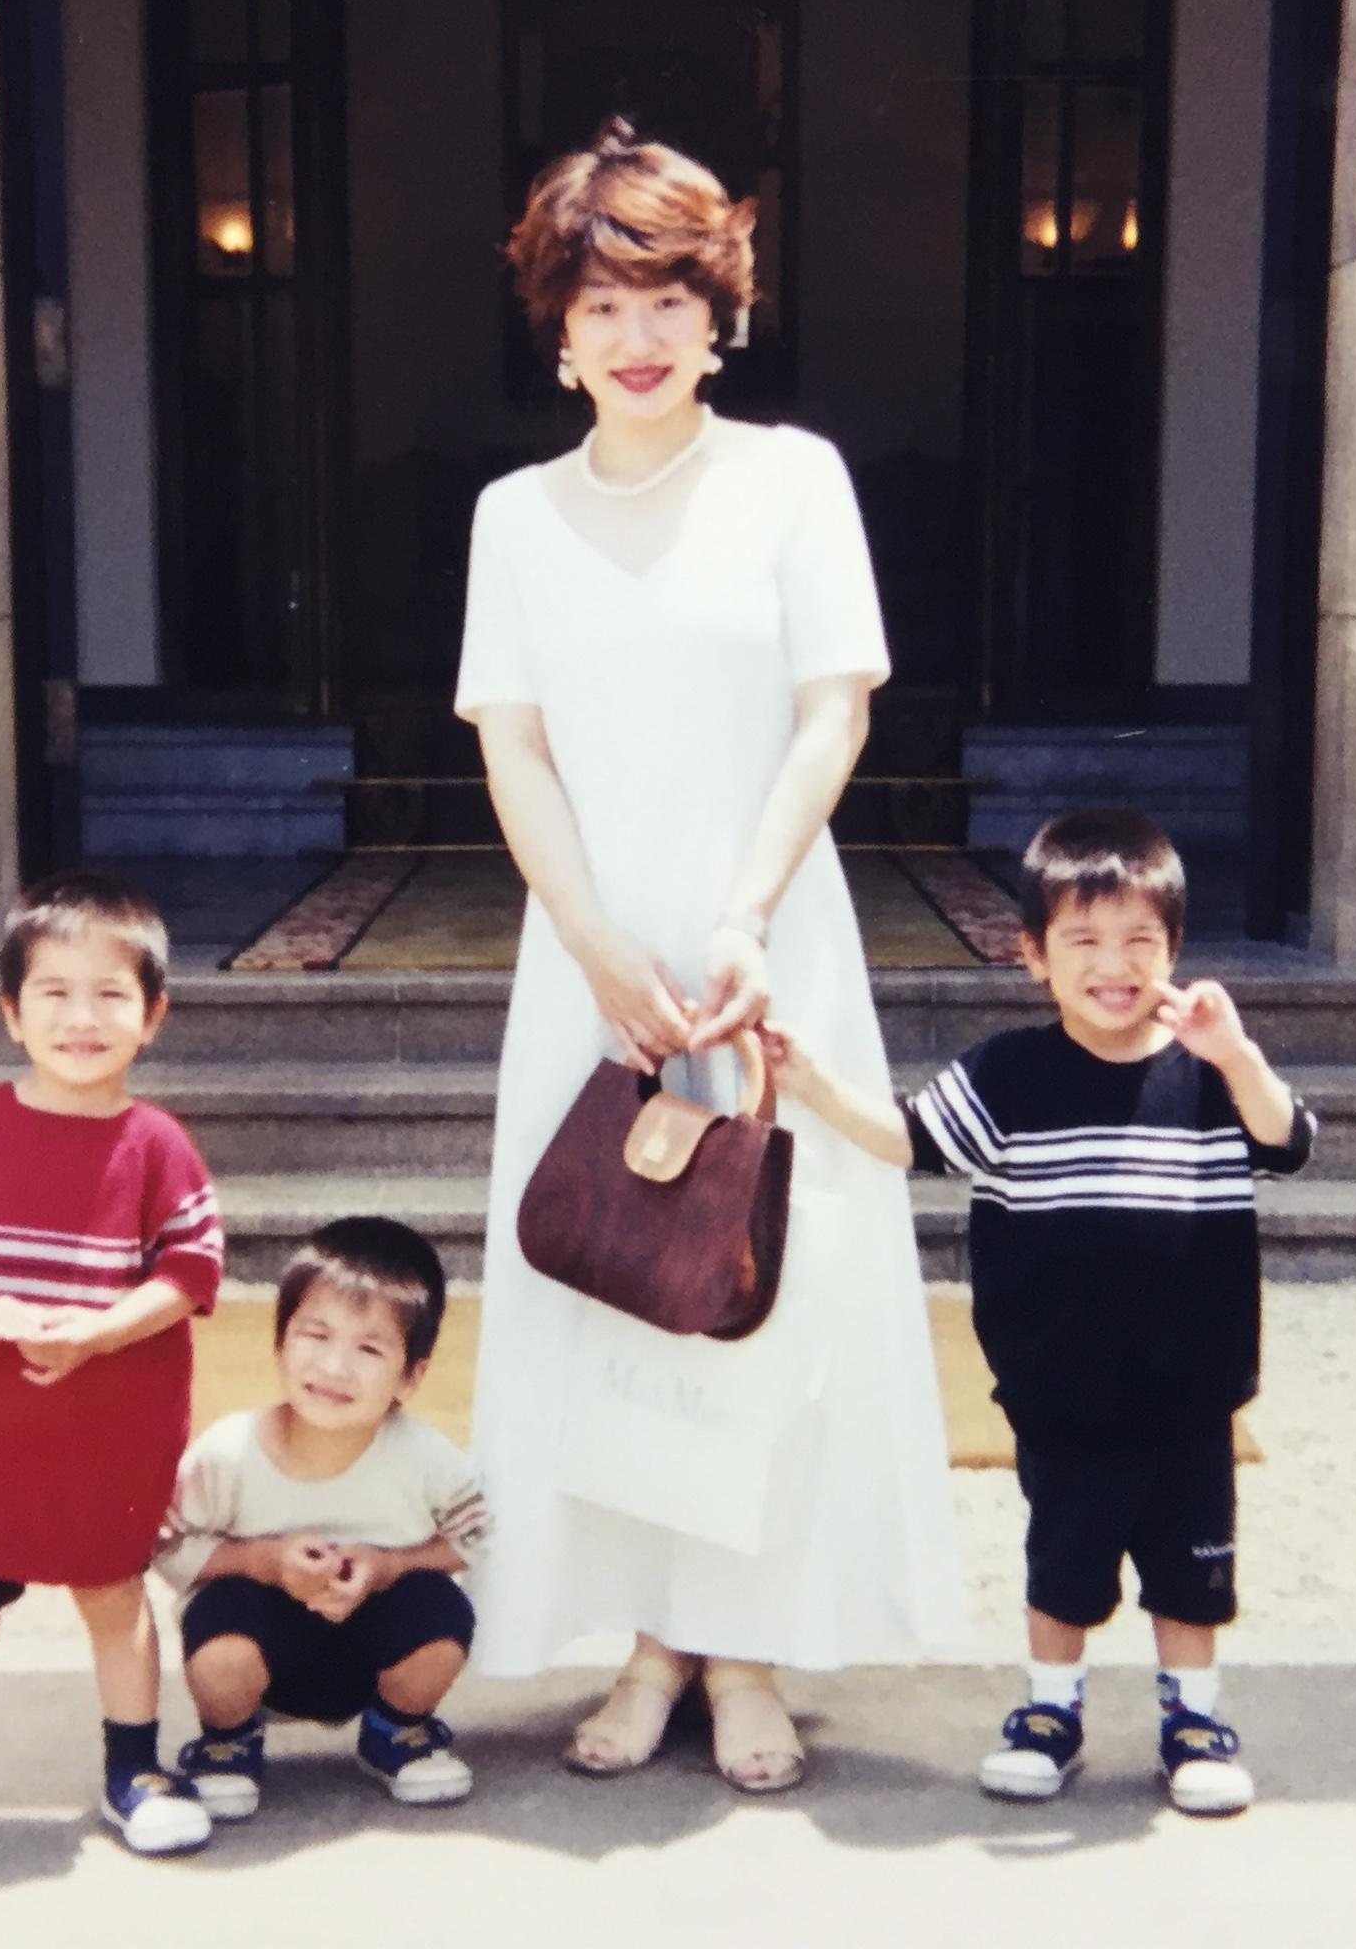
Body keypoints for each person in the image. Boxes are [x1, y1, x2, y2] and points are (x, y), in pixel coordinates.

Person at [455, 117, 963, 1793]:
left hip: (764, 939)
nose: (638, 333)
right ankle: (647, 1642)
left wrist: (741, 916)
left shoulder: (790, 479)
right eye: (601, 302)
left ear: (720, 312)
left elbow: (833, 711)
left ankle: (745, 1646)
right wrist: (597, 947)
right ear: (557, 327)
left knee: (764, 1290)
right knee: (610, 1281)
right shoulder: (515, 517)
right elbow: (515, 745)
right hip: (591, 957)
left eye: (668, 296)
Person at [759, 809, 1317, 1816]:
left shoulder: (1209, 1073)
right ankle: (1050, 1710)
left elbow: (1288, 1142)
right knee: (1063, 1561)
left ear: (1174, 949)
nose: (1114, 965)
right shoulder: (1009, 1073)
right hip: (1061, 1386)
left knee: (1192, 1568)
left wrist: (1236, 1055)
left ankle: (1195, 1719)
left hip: (1190, 1392)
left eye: (1140, 940)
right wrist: (810, 1082)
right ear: (1031, 954)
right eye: (1083, 940)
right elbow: (910, 1140)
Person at [0, 870, 223, 1857]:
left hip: (112, 1420)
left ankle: (134, 1763)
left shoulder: (158, 1147)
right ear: (10, 1011)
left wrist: (99, 1334)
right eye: (54, 992)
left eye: (110, 994)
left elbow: (191, 1273)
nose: (81, 1017)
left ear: (152, 1015)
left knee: (113, 1593)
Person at [156, 1217, 490, 1817]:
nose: (335, 1367)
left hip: (374, 1640)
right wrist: (263, 1561)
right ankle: (228, 1740)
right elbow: (163, 1543)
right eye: (316, 1335)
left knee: (443, 1613)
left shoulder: (425, 1458)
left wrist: (389, 1566)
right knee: (219, 1623)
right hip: (260, 1640)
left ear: (411, 1375)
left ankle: (396, 1731)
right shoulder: (229, 1453)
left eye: (369, 1348)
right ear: (280, 1342)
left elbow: (478, 1536)